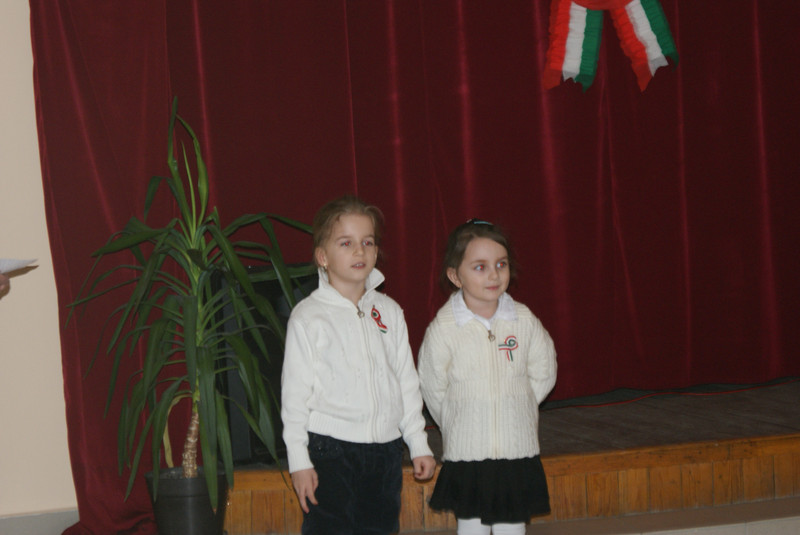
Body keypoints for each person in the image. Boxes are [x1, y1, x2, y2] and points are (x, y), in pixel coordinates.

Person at [281, 195, 436, 534]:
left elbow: (406, 382)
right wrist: (299, 460)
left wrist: (418, 442)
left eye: (368, 242)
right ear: (323, 257)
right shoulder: (308, 317)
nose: (359, 251)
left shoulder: (389, 311)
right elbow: (294, 396)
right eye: (346, 243)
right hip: (330, 449)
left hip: (385, 450)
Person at [417, 219, 557, 535]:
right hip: (468, 452)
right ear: (455, 276)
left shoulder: (523, 320)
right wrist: (455, 418)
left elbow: (544, 370)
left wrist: (519, 403)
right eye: (480, 267)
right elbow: (432, 385)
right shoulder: (444, 328)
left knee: (512, 526)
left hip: (515, 449)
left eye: (500, 264)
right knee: (472, 525)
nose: (493, 274)